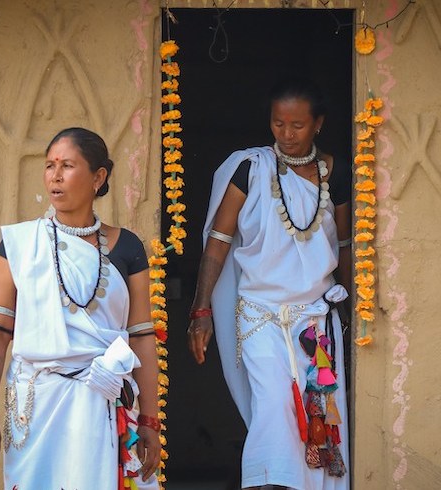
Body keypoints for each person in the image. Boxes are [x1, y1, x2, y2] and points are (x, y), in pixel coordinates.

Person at [0, 127, 161, 490]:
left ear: (98, 177)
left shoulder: (128, 247)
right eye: (50, 165)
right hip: (36, 404)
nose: (54, 176)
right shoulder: (19, 245)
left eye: (67, 165)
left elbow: (142, 337)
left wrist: (150, 420)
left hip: (103, 401)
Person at [187, 79, 353, 490]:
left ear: (318, 124)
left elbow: (347, 245)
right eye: (278, 124)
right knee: (275, 409)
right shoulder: (251, 167)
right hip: (260, 315)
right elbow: (219, 240)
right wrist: (201, 309)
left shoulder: (336, 172)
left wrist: (353, 309)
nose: (286, 134)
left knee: (320, 419)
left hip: (316, 318)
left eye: (297, 125)